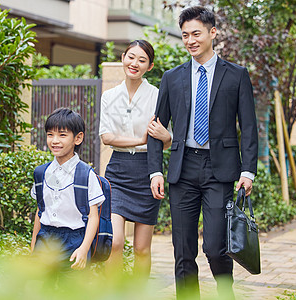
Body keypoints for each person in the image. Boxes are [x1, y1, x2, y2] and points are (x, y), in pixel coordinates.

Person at [147, 6, 258, 299]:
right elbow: (156, 128)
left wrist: (248, 171)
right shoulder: (172, 77)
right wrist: (155, 170)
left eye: (196, 33)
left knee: (214, 246)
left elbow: (248, 127)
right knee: (183, 250)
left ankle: (225, 292)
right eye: (185, 35)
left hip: (219, 170)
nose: (190, 40)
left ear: (212, 33)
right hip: (182, 170)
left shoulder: (236, 75)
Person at [99, 39, 172, 279]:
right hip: (118, 171)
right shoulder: (109, 96)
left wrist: (166, 138)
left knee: (141, 249)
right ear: (123, 58)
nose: (135, 63)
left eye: (142, 60)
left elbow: (166, 138)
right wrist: (141, 140)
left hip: (148, 171)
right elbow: (107, 137)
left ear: (150, 66)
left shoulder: (158, 96)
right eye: (131, 57)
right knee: (115, 242)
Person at [30, 107, 105, 271]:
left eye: (62, 135)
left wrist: (84, 249)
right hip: (45, 239)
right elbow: (40, 211)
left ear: (78, 138)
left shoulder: (85, 175)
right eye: (50, 134)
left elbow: (93, 217)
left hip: (74, 240)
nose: (54, 140)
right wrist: (33, 246)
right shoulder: (42, 172)